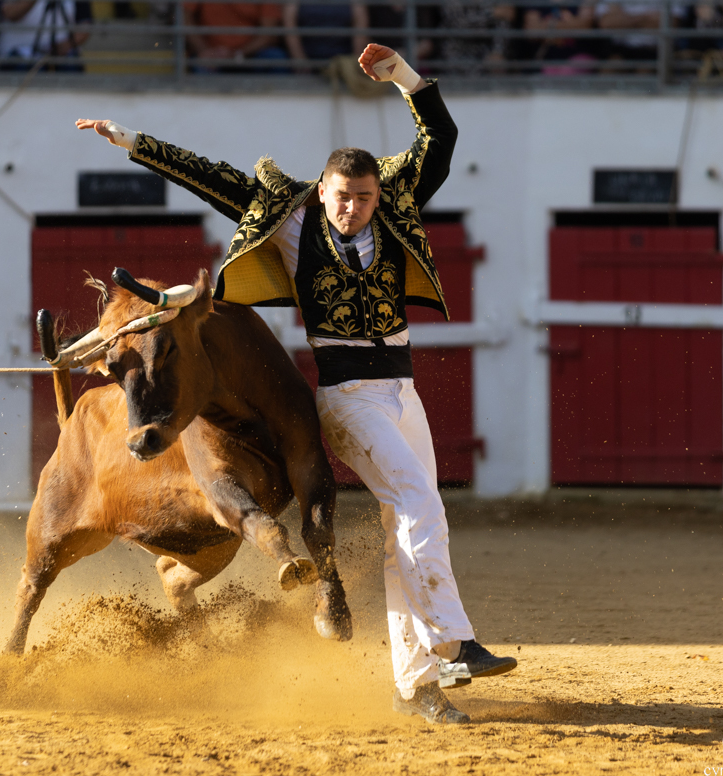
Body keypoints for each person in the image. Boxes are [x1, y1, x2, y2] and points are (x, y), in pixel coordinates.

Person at [74, 43, 517, 725]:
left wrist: (402, 76)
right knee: (420, 505)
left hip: (403, 392)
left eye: (365, 198)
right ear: (322, 191)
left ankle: (415, 687)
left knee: (408, 525)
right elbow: (209, 177)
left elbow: (441, 138)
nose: (354, 209)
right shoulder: (289, 218)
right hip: (348, 395)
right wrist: (133, 141)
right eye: (343, 198)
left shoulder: (395, 203)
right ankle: (455, 644)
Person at [183, 2, 287, 72]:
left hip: (250, 54)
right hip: (210, 53)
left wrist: (237, 53)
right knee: (201, 67)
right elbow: (184, 17)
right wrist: (205, 51)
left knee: (276, 58)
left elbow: (269, 33)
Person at [283, 2, 369, 71]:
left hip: (343, 58)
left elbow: (360, 27)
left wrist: (355, 63)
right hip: (308, 54)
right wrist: (299, 59)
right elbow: (289, 26)